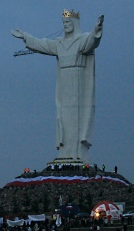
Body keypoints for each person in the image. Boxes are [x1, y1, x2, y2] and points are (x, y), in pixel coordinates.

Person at [11, 9, 104, 161]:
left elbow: (92, 41)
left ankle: (77, 153)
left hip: (79, 83)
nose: (65, 25)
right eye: (64, 23)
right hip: (63, 83)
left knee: (77, 119)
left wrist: (97, 28)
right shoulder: (59, 43)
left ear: (74, 23)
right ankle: (64, 152)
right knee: (63, 118)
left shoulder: (82, 40)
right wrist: (25, 36)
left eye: (68, 22)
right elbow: (42, 44)